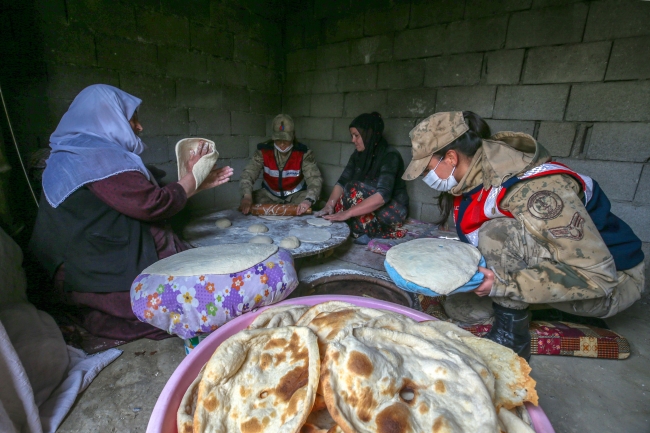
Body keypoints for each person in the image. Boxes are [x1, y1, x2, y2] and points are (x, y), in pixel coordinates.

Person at [402, 111, 645, 360]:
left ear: (451, 158)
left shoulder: (535, 192)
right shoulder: (474, 180)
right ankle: (543, 305)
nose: (425, 178)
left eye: (427, 170)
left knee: (498, 233)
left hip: (614, 282)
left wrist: (500, 285)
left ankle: (511, 337)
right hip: (558, 265)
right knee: (459, 307)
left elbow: (598, 277)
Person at [29, 84, 233, 344]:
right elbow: (150, 204)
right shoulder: (93, 158)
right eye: (132, 118)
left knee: (185, 265)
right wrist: (192, 180)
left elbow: (135, 196)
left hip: (90, 254)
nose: (139, 126)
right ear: (106, 118)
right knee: (182, 311)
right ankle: (91, 313)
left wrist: (194, 184)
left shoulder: (77, 152)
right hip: (85, 269)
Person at [316, 112, 409, 244]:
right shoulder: (358, 155)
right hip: (370, 206)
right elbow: (342, 181)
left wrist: (347, 213)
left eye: (357, 136)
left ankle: (374, 232)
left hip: (392, 210)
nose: (353, 140)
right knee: (338, 203)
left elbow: (382, 196)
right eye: (352, 136)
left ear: (369, 134)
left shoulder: (390, 156)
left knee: (352, 189)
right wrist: (329, 205)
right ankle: (361, 228)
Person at [239, 114, 322, 216]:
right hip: (269, 195)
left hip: (296, 196)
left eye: (286, 140)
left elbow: (314, 178)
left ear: (293, 137)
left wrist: (308, 200)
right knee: (249, 200)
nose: (282, 144)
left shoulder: (303, 153)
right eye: (278, 140)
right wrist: (247, 196)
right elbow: (249, 173)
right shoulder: (263, 151)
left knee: (312, 203)